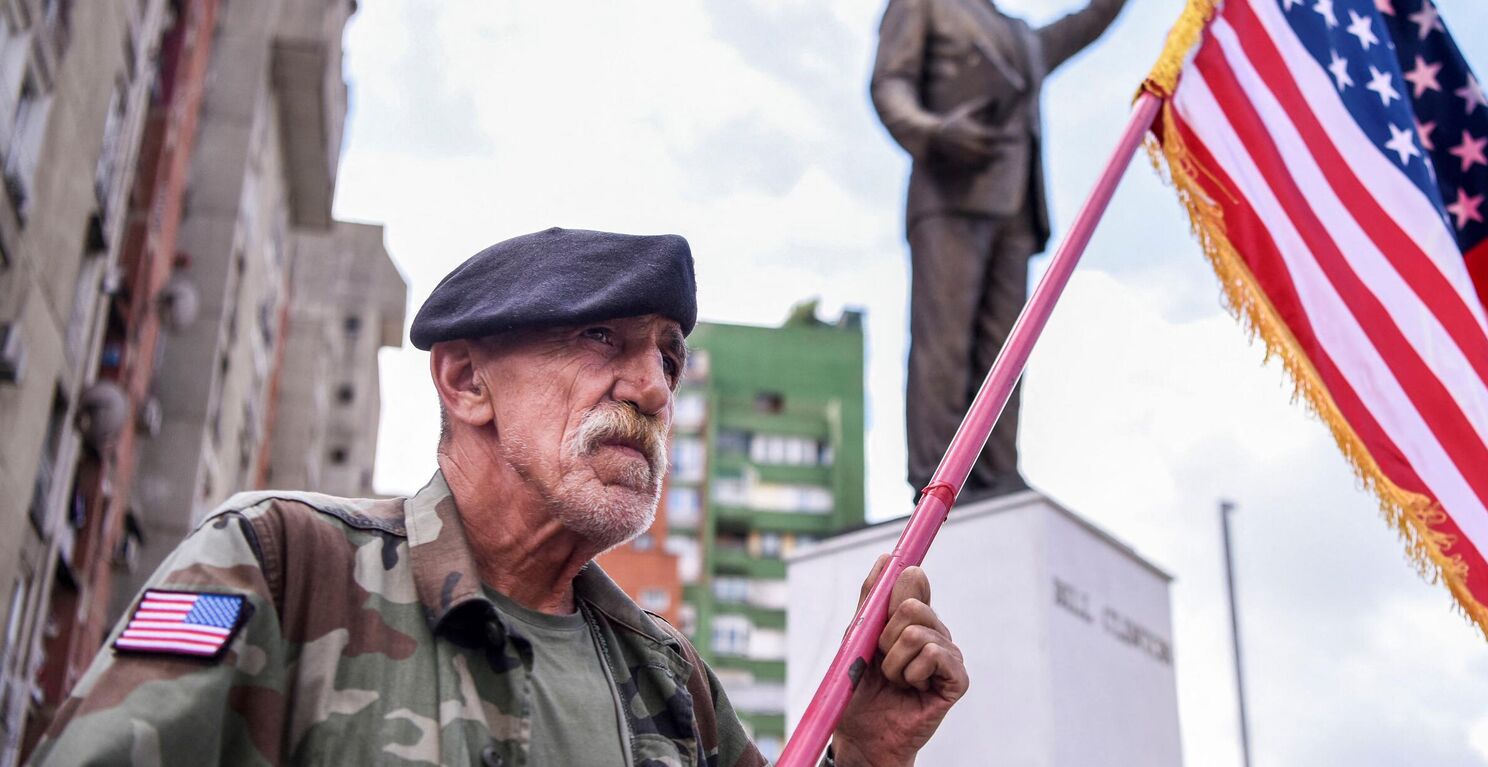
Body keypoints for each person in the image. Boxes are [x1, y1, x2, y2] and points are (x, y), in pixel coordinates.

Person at [30, 228, 968, 766]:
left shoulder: (672, 683)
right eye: (604, 338)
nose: (652, 387)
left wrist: (870, 751)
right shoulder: (282, 566)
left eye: (668, 359)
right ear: (467, 379)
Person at [871, 0, 1129, 501]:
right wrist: (932, 130)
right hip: (951, 194)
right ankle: (938, 477)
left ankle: (997, 471)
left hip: (1016, 208)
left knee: (1004, 355)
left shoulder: (1022, 36)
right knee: (943, 346)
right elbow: (889, 83)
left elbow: (1090, 21)